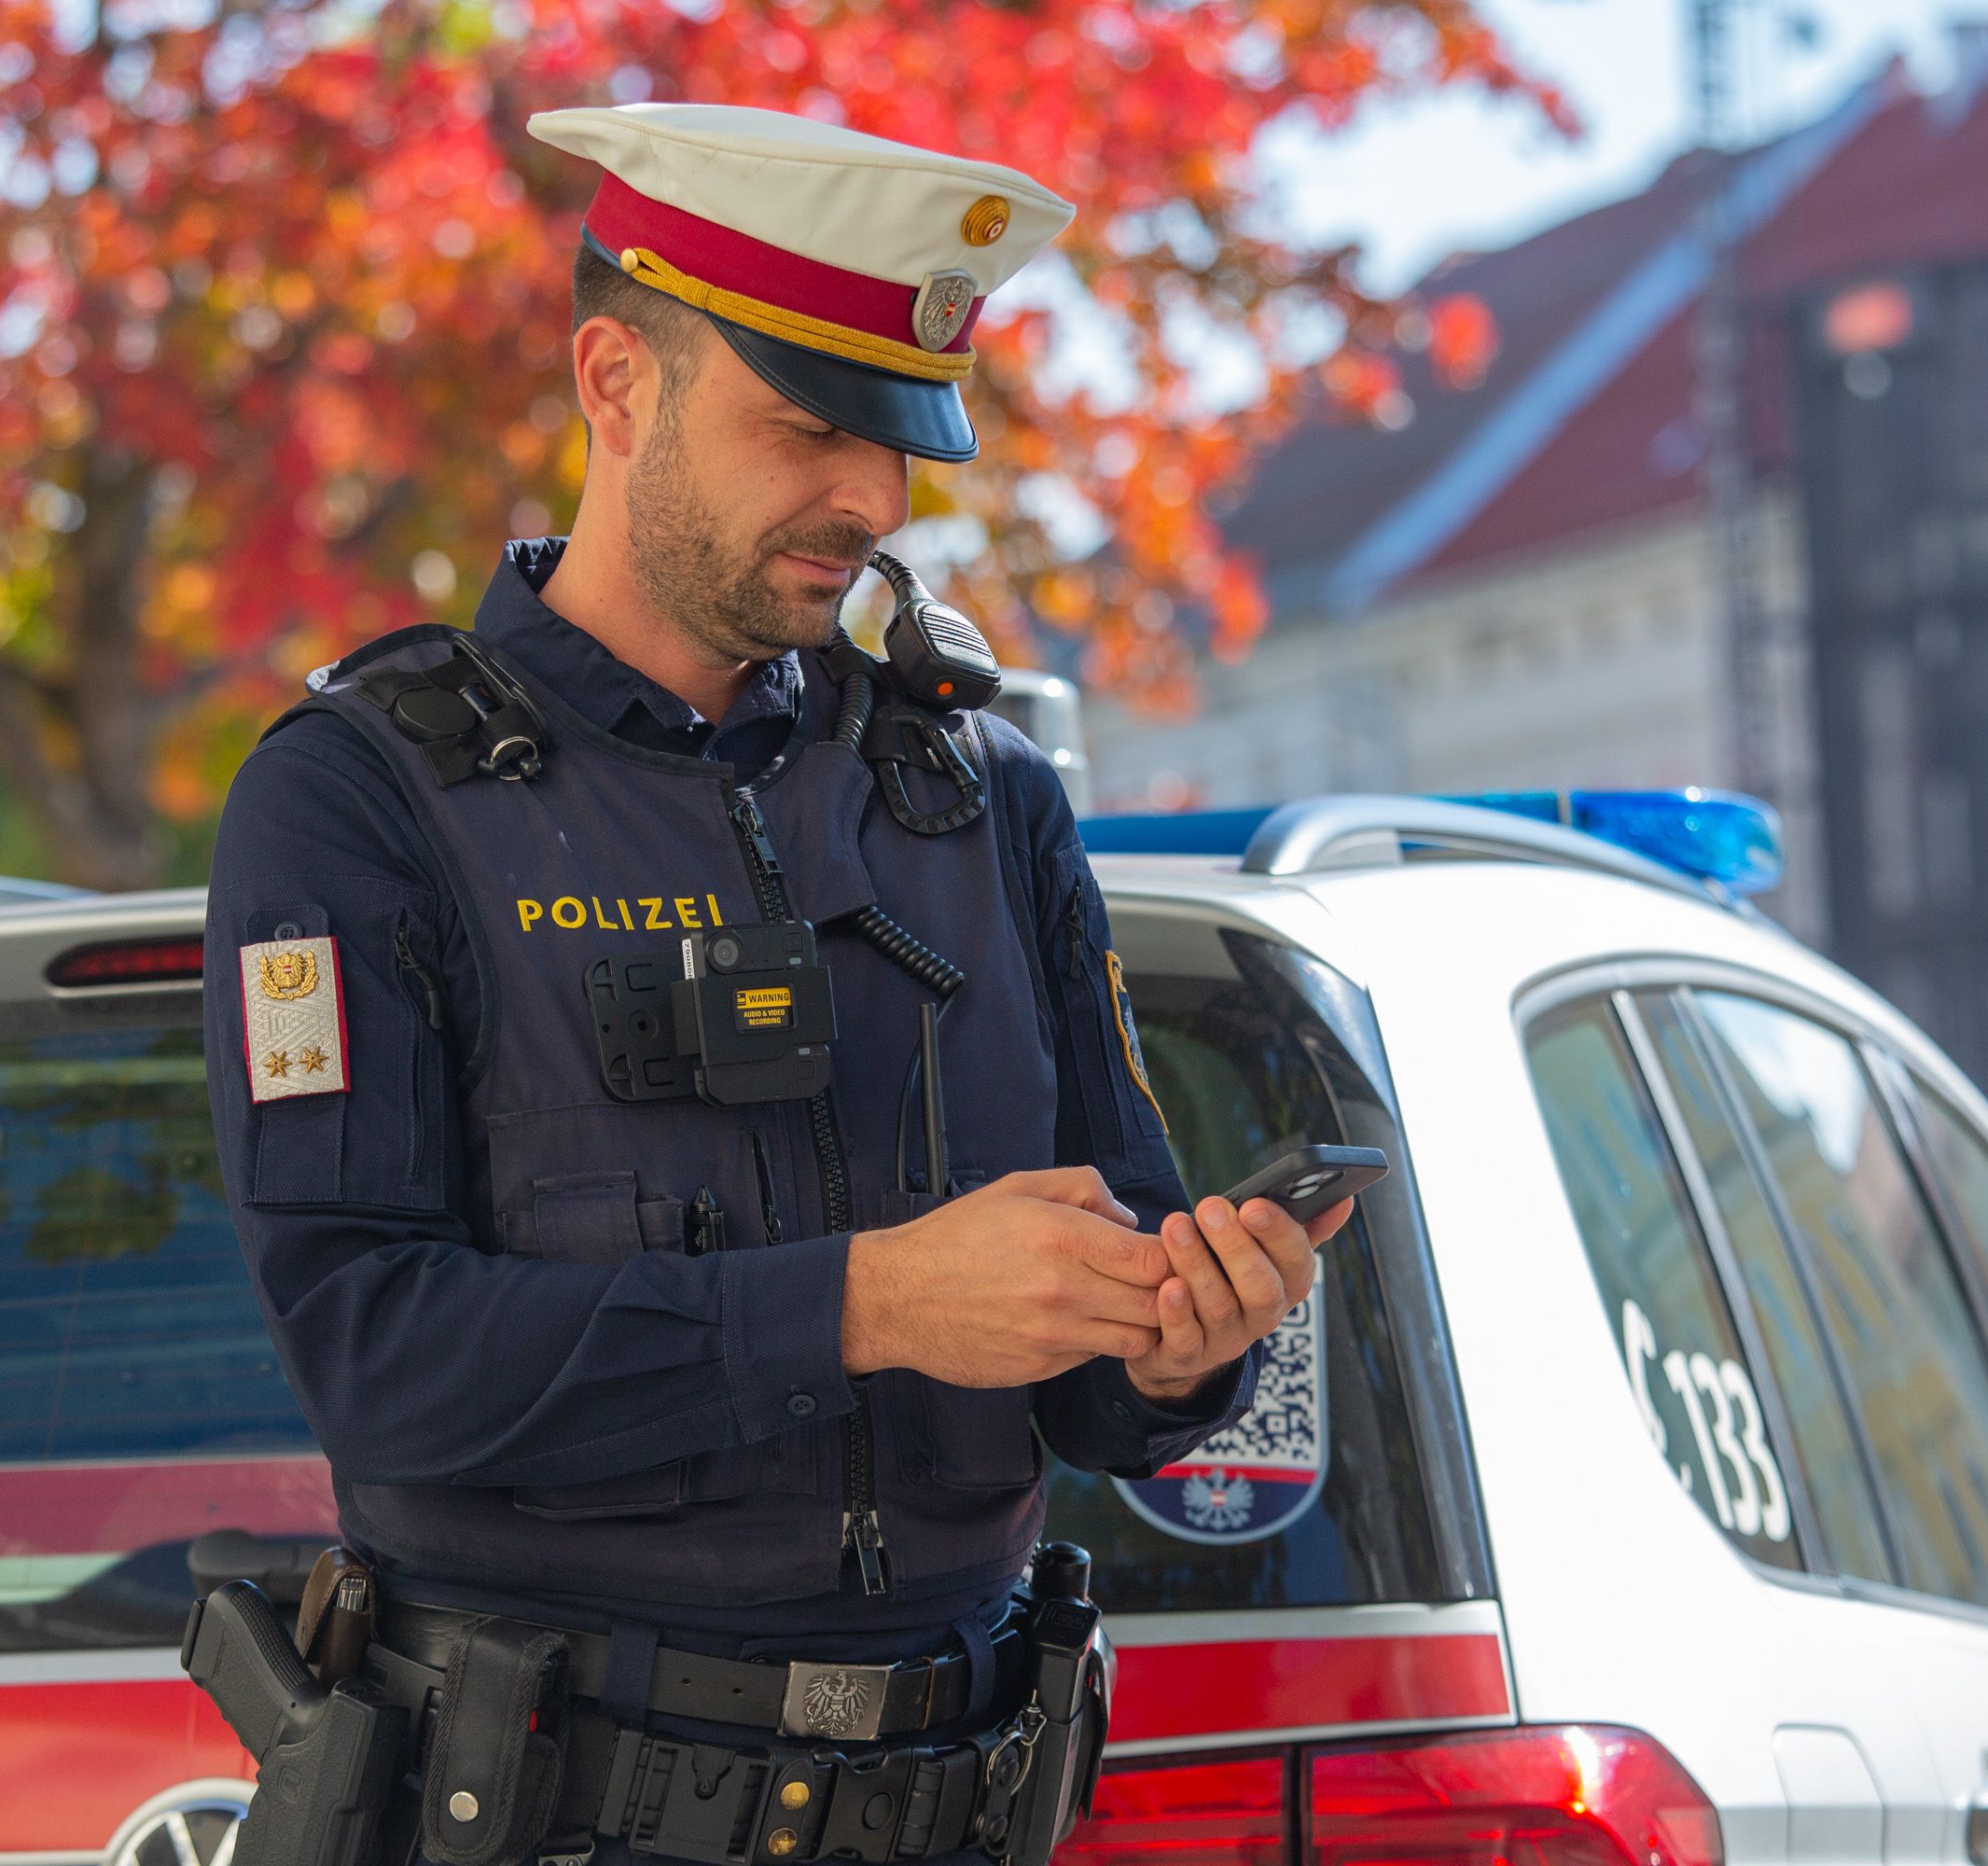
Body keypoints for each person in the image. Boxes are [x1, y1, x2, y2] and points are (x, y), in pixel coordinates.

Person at [201, 102, 1349, 1865]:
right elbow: (377, 1359)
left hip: (961, 1804)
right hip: (546, 1816)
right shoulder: (361, 798)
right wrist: (865, 1306)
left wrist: (1185, 1339)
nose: (874, 506)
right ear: (615, 380)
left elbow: (1098, 1390)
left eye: (903, 448)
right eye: (808, 430)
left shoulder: (984, 802)